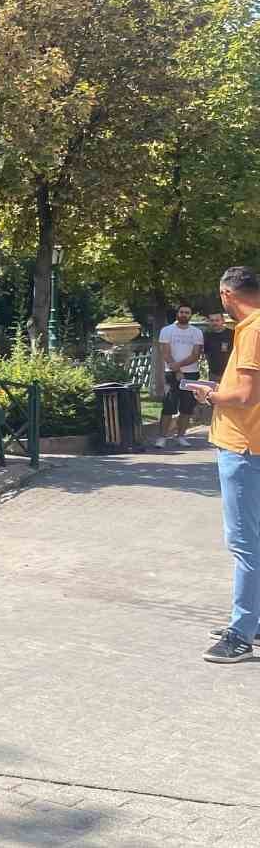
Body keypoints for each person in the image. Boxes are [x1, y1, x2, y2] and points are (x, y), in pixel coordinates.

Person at [186, 269, 260, 662]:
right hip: (254, 445)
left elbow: (246, 395)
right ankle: (254, 620)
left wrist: (211, 395)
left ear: (227, 294)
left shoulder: (251, 329)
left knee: (245, 543)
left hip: (244, 446)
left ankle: (241, 633)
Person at [155, 304, 205, 448]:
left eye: (187, 312)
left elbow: (195, 355)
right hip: (171, 373)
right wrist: (176, 370)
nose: (184, 314)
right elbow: (165, 353)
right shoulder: (167, 330)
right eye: (182, 312)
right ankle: (162, 437)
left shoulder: (196, 332)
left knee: (187, 406)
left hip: (191, 373)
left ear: (190, 315)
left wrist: (179, 367)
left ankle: (181, 436)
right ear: (177, 313)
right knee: (169, 404)